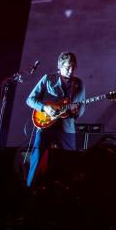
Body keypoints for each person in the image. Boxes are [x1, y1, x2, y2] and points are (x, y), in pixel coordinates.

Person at [25, 51, 85, 186]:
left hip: (66, 127)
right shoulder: (48, 78)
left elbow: (81, 107)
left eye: (73, 67)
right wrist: (44, 108)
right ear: (60, 66)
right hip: (46, 125)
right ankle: (30, 189)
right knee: (37, 158)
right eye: (67, 67)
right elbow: (30, 99)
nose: (71, 70)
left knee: (70, 161)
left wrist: (76, 112)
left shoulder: (78, 83)